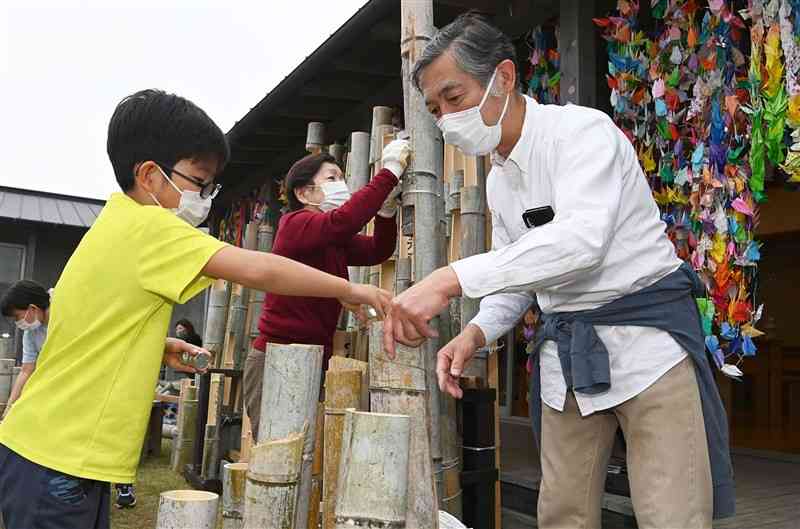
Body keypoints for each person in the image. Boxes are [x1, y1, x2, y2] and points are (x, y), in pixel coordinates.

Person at [383, 13, 734, 528]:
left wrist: (448, 278)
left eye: (453, 99)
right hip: (567, 361)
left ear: (502, 78)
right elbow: (519, 278)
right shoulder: (499, 183)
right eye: (435, 110)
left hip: (648, 348)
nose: (445, 119)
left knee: (674, 512)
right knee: (562, 513)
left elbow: (580, 243)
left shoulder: (582, 133)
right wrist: (474, 335)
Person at [0, 88, 391, 529]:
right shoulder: (151, 227)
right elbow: (257, 268)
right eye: (199, 183)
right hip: (58, 460)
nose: (206, 197)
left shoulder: (115, 225)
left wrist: (156, 344)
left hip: (47, 452)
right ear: (150, 175)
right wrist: (349, 290)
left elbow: (86, 324)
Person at [244, 141, 408, 440]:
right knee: (275, 448)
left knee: (305, 449)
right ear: (304, 193)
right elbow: (345, 221)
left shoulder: (330, 237)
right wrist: (390, 172)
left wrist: (385, 212)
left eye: (342, 178)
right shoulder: (295, 224)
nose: (341, 185)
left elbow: (377, 251)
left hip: (313, 357)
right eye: (331, 178)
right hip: (276, 357)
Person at [0, 280, 51, 420]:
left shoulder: (63, 309)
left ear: (32, 308)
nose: (17, 323)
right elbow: (26, 370)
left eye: (17, 317)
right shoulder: (31, 335)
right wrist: (9, 408)